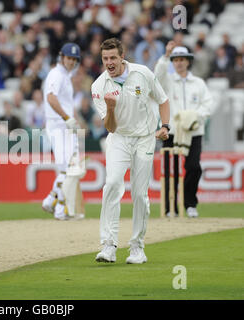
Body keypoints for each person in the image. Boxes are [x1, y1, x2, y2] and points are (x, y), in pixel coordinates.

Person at [91, 38, 170, 264]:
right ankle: (108, 245)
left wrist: (165, 126)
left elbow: (163, 100)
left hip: (145, 138)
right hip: (118, 138)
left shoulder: (142, 73)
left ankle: (137, 248)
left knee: (139, 194)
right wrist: (111, 108)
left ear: (122, 56)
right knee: (113, 184)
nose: (109, 63)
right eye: (105, 58)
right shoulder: (99, 86)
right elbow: (110, 127)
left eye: (113, 57)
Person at [154, 41, 213, 218]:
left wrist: (194, 118)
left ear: (188, 61)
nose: (179, 62)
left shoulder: (198, 83)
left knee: (194, 167)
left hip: (193, 132)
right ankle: (169, 207)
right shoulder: (168, 81)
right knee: (170, 170)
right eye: (175, 59)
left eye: (182, 59)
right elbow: (157, 75)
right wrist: (165, 56)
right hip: (171, 131)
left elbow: (208, 105)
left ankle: (190, 204)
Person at [41, 42, 82, 221]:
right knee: (68, 168)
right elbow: (51, 98)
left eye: (74, 59)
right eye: (69, 58)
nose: (71, 61)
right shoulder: (57, 74)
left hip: (63, 125)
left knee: (68, 167)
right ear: (61, 56)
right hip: (59, 126)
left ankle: (51, 200)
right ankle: (59, 208)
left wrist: (70, 118)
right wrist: (67, 118)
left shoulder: (64, 75)